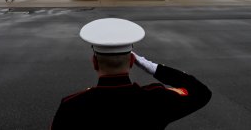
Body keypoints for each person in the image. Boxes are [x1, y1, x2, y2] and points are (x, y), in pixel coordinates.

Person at [51, 18, 212, 130]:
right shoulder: (155, 100)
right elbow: (202, 93)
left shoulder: (71, 106)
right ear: (131, 62)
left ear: (94, 62)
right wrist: (153, 67)